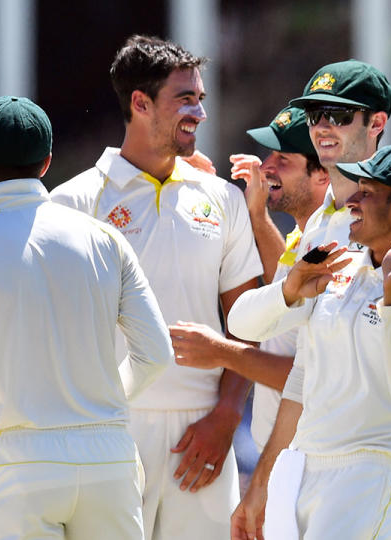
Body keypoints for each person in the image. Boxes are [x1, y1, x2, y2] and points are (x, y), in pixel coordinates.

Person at [0, 95, 173, 539]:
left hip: (19, 462)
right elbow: (157, 354)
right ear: (47, 162)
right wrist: (100, 401)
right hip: (108, 455)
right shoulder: (105, 239)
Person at [50, 35, 263, 540]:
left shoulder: (222, 198)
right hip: (109, 430)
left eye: (200, 99)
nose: (199, 113)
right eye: (184, 99)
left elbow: (249, 319)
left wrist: (228, 416)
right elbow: (54, 332)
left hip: (205, 434)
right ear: (140, 103)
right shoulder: (74, 202)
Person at [228, 145, 391, 540]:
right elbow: (242, 323)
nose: (352, 200)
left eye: (367, 192)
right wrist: (287, 290)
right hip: (302, 468)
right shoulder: (340, 265)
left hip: (367, 478)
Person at [291, 60, 391, 537]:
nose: (322, 126)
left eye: (339, 115)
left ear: (377, 123)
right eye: (314, 114)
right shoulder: (322, 221)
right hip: (328, 458)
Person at [169, 105, 329, 452]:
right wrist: (256, 214)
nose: (265, 167)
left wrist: (223, 352)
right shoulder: (308, 234)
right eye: (269, 155)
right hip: (295, 459)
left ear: (323, 175)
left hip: (317, 461)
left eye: (283, 160)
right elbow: (285, 296)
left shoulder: (337, 243)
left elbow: (315, 378)